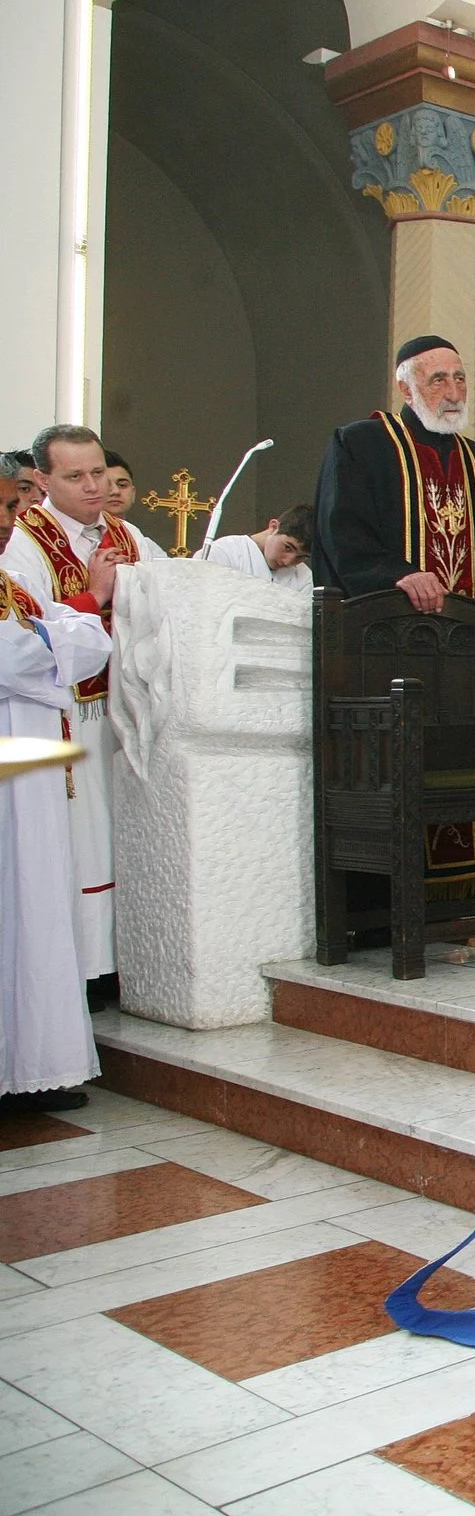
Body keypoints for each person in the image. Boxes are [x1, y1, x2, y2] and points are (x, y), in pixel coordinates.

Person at [1, 424, 166, 983]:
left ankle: (123, 958)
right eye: (75, 476)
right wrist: (95, 596)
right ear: (42, 479)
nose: (94, 486)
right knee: (78, 839)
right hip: (62, 715)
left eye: (99, 472)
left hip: (123, 708)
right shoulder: (22, 540)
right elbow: (29, 632)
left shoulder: (131, 536)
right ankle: (81, 970)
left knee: (119, 835)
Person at [0, 454, 112, 1114]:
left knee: (36, 906)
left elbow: (81, 638)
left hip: (34, 781)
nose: (14, 520)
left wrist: (54, 631)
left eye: (17, 507)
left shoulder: (10, 589)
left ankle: (31, 1066)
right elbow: (21, 654)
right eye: (9, 506)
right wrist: (56, 633)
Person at [311, 335, 475, 625]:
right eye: (438, 381)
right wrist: (397, 574)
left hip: (472, 640)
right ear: (407, 390)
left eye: (460, 379)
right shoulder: (361, 445)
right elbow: (342, 531)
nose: (454, 393)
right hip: (385, 630)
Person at [199, 507, 315, 591]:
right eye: (288, 547)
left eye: (301, 557)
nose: (288, 561)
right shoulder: (223, 552)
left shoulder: (305, 578)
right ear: (274, 527)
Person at [101, 452, 136, 520]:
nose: (115, 491)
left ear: (133, 493)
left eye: (122, 485)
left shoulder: (134, 530)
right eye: (106, 485)